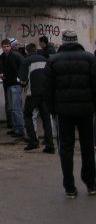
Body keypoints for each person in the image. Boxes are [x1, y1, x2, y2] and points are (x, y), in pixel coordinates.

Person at [44, 29, 96, 198]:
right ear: (76, 40)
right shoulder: (89, 58)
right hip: (86, 110)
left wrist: (52, 109)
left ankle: (70, 187)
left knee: (66, 148)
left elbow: (48, 89)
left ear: (63, 42)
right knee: (88, 146)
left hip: (63, 112)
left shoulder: (53, 60)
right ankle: (91, 183)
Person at [19, 43, 55, 153]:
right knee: (46, 118)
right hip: (45, 93)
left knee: (28, 115)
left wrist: (23, 85)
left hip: (32, 93)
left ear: (27, 51)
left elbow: (23, 80)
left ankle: (33, 141)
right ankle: (49, 145)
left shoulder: (26, 61)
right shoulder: (45, 60)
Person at [0, 38, 25, 138]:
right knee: (12, 108)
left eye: (7, 46)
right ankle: (15, 127)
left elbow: (23, 66)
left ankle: (20, 129)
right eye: (4, 47)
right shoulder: (3, 56)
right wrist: (0, 73)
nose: (6, 48)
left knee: (16, 108)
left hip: (15, 83)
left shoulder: (15, 56)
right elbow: (0, 68)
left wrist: (20, 78)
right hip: (8, 83)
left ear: (10, 46)